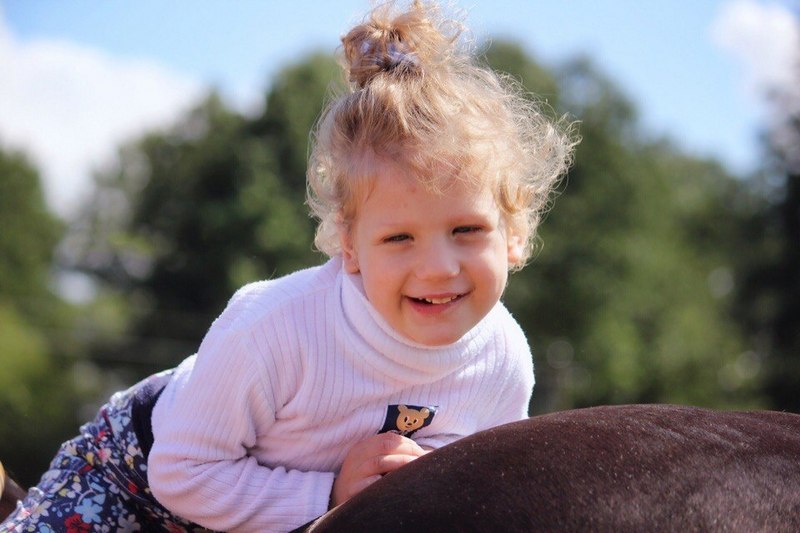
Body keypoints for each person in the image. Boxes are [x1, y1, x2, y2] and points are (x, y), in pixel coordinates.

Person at [0, 1, 575, 532]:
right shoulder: (273, 326)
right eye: (399, 237)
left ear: (515, 233)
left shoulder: (505, 363)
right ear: (349, 246)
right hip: (138, 480)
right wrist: (328, 494)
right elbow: (180, 473)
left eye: (466, 230)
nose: (437, 267)